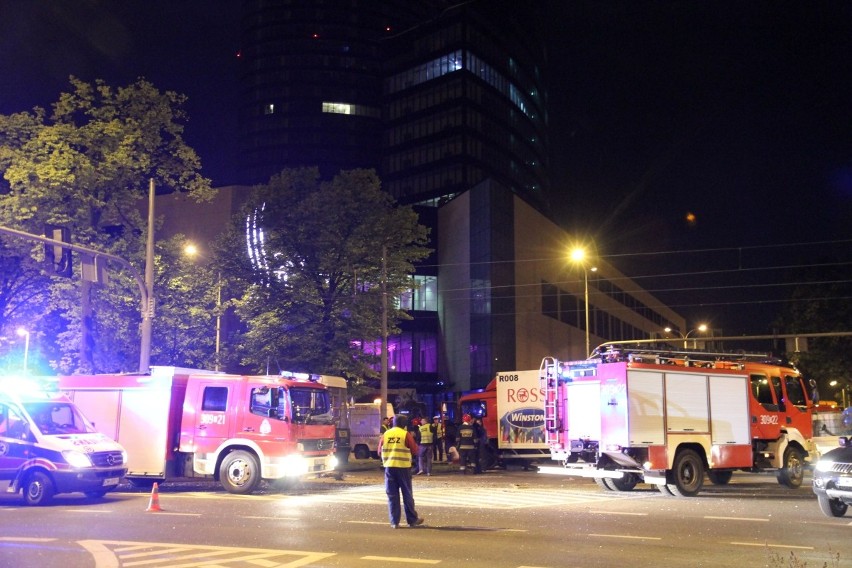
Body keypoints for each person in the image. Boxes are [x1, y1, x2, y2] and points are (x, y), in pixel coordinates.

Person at [377, 414, 424, 528]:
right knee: (407, 494)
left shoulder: (386, 434)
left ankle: (394, 522)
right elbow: (415, 450)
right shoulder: (405, 434)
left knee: (392, 495)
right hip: (403, 468)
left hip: (389, 468)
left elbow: (379, 451)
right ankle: (412, 520)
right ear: (404, 424)